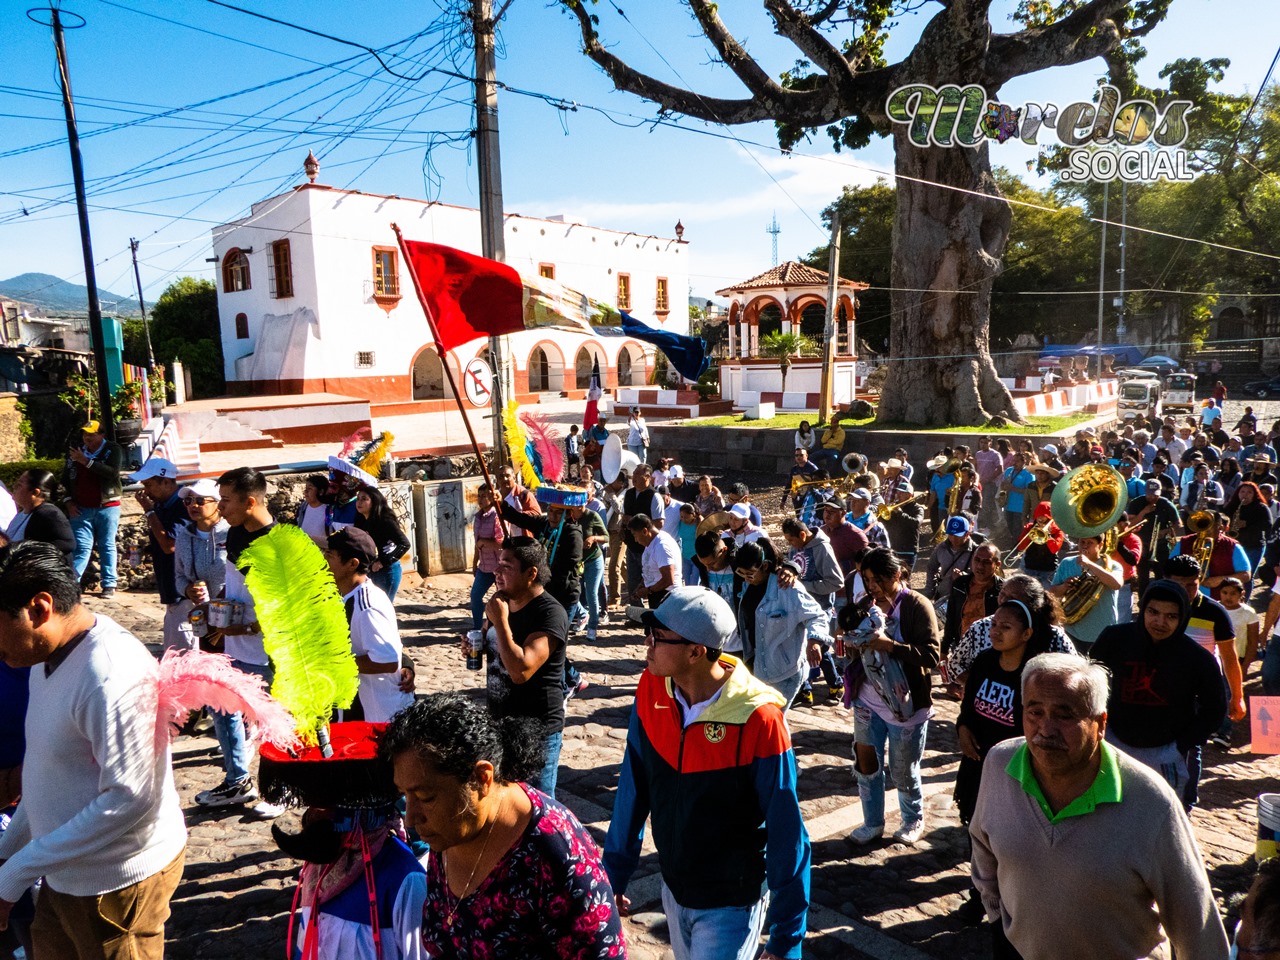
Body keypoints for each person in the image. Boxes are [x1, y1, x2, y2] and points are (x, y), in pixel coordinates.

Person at [969, 653, 1229, 960]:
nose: (1045, 729)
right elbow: (982, 844)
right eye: (1034, 712)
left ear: (1100, 723)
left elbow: (1196, 923)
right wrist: (999, 919)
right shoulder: (1000, 764)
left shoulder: (1151, 801)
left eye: (1064, 715)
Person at [0, 541, 187, 959]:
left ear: (39, 608)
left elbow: (130, 797)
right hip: (64, 873)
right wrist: (9, 854)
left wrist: (15, 872)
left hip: (115, 888)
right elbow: (51, 771)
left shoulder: (109, 673)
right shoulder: (41, 655)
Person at [605, 587, 810, 960]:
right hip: (674, 890)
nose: (647, 645)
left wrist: (787, 938)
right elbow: (632, 788)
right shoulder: (650, 686)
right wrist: (613, 875)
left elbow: (787, 830)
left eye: (658, 637)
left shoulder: (760, 719)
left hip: (730, 903)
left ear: (696, 652)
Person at [382, 694, 626, 958]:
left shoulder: (555, 851)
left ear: (481, 779)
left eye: (425, 797)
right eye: (405, 795)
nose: (410, 817)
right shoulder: (449, 830)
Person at [953, 598, 1055, 922]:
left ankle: (1013, 904)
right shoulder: (984, 661)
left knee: (1009, 842)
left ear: (1026, 634)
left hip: (1016, 772)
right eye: (994, 624)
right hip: (977, 766)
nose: (995, 631)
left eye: (1005, 627)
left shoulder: (1034, 676)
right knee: (977, 833)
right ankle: (979, 897)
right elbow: (968, 707)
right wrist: (963, 729)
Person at [1090, 577, 1229, 804]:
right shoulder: (1113, 639)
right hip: (1111, 743)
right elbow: (1089, 684)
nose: (1160, 622)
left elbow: (1214, 708)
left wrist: (1181, 745)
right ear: (1143, 609)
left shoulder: (1197, 658)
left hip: (1166, 753)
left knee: (1161, 819)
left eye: (1171, 616)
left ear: (1182, 617)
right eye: (1153, 612)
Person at [845, 547, 939, 846]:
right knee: (866, 763)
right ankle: (872, 822)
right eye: (867, 579)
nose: (871, 586)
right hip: (867, 699)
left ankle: (912, 819)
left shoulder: (917, 605)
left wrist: (891, 646)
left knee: (902, 769)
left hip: (906, 706)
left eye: (876, 580)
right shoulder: (866, 603)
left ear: (896, 575)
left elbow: (932, 656)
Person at [197, 466, 277, 809]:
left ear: (249, 501)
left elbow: (279, 607)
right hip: (234, 643)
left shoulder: (278, 544)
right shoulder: (235, 534)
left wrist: (244, 628)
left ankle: (281, 790)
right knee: (222, 706)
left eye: (226, 501)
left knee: (275, 720)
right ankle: (237, 780)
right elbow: (236, 584)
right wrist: (216, 611)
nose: (220, 507)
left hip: (270, 652)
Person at [477, 538, 569, 797]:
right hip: (499, 724)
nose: (496, 571)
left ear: (531, 574)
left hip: (536, 730)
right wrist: (478, 644)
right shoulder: (503, 603)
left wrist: (501, 621)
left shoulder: (550, 613)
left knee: (535, 811)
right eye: (498, 564)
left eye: (506, 566)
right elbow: (496, 645)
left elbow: (521, 670)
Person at [325, 527, 415, 723]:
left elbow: (387, 660)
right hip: (351, 714)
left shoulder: (368, 605)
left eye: (329, 556)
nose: (323, 561)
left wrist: (332, 664)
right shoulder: (342, 596)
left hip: (377, 718)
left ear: (352, 563)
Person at [731, 542, 828, 709]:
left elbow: (817, 616)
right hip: (758, 666)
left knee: (773, 720)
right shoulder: (747, 585)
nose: (746, 578)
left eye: (750, 574)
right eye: (742, 574)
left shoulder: (788, 588)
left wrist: (814, 641)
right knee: (764, 722)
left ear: (765, 566)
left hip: (785, 671)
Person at [132, 458, 189, 650]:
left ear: (166, 481)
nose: (146, 491)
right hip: (171, 588)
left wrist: (149, 512)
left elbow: (169, 545)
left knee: (184, 652)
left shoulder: (183, 506)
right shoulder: (161, 505)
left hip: (184, 593)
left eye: (149, 485)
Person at [63, 420, 124, 596]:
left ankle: (109, 584)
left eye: (92, 434)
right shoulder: (75, 453)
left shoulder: (113, 449)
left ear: (101, 435)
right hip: (81, 508)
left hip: (107, 506)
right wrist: (68, 501)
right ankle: (71, 584)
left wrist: (86, 461)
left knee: (107, 544)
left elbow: (112, 473)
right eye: (85, 434)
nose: (87, 438)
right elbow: (65, 480)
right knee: (80, 547)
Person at [172, 479, 229, 651]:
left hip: (231, 616)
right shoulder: (184, 536)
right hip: (203, 617)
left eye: (200, 501)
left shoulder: (231, 532)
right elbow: (179, 576)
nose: (193, 506)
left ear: (217, 504)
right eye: (188, 501)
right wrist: (188, 590)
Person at [1049, 533, 1124, 655]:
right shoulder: (1067, 563)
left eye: (1090, 543)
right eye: (1082, 542)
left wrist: (1089, 564)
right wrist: (1064, 586)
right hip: (1072, 630)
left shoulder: (1113, 566)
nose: (1084, 546)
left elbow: (1116, 584)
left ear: (1100, 545)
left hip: (1103, 630)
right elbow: (1052, 593)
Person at [941, 542, 1003, 659]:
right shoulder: (960, 584)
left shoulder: (1002, 591)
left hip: (991, 652)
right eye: (977, 560)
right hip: (962, 647)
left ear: (997, 564)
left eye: (986, 562)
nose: (980, 566)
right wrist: (944, 650)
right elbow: (951, 618)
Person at [354, 485, 411, 602]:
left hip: (387, 571)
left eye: (364, 499)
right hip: (369, 570)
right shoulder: (360, 520)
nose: (359, 502)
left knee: (383, 607)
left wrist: (382, 562)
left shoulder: (385, 520)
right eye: (358, 499)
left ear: (374, 501)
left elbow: (404, 544)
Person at [4, 469, 73, 562]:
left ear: (35, 493)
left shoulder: (50, 515)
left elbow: (67, 544)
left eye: (19, 485)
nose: (14, 487)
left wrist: (28, 555)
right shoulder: (22, 514)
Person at [622, 464, 663, 606]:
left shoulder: (654, 496)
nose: (633, 478)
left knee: (649, 579)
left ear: (647, 477)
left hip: (647, 547)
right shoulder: (629, 493)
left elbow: (659, 523)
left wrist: (640, 525)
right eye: (633, 474)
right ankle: (636, 612)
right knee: (632, 580)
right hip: (631, 544)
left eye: (637, 475)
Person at [470, 483, 504, 631]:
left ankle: (501, 627)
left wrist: (485, 542)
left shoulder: (497, 516)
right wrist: (474, 562)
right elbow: (477, 544)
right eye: (480, 496)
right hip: (484, 566)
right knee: (475, 596)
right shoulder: (477, 518)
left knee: (502, 600)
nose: (482, 499)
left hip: (499, 566)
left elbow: (501, 542)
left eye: (485, 496)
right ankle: (478, 627)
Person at [629, 515, 682, 609]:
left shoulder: (662, 546)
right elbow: (651, 569)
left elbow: (668, 579)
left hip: (667, 597)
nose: (635, 540)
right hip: (657, 594)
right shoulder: (651, 542)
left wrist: (647, 590)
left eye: (635, 535)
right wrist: (641, 585)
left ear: (645, 531)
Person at [573, 501, 608, 639]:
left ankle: (592, 627)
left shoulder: (592, 516)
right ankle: (583, 614)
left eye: (580, 504)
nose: (578, 507)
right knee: (571, 591)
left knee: (591, 593)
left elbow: (606, 537)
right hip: (576, 561)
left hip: (593, 559)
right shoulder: (568, 516)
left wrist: (594, 538)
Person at [925, 515, 975, 602]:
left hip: (966, 599)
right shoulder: (940, 548)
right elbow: (931, 567)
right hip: (943, 597)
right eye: (951, 534)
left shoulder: (976, 551)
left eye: (958, 535)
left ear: (967, 534)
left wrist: (964, 578)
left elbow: (984, 577)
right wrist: (930, 591)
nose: (954, 538)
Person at [998, 453, 1034, 544]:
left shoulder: (1028, 473)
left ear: (1024, 462)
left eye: (1017, 461)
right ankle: (1015, 545)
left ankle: (1017, 547)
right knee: (1010, 527)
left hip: (1020, 507)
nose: (1014, 463)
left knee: (1017, 530)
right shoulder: (1008, 471)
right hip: (1008, 505)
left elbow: (1029, 491)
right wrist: (1003, 486)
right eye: (1013, 460)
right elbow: (1004, 484)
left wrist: (1012, 488)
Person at [293, 472, 330, 548]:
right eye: (305, 489)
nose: (306, 492)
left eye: (310, 488)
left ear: (321, 491)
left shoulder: (329, 510)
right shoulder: (304, 507)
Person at [781, 448, 820, 516]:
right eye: (796, 455)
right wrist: (783, 500)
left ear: (806, 456)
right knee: (798, 516)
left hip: (809, 498)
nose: (798, 457)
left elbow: (819, 484)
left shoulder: (813, 468)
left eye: (801, 455)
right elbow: (788, 484)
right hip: (796, 497)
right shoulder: (794, 469)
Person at [675, 502, 700, 588]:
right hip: (685, 556)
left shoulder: (699, 523)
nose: (683, 519)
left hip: (697, 558)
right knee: (687, 584)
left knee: (694, 584)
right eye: (681, 517)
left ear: (693, 515)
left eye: (686, 517)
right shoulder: (680, 523)